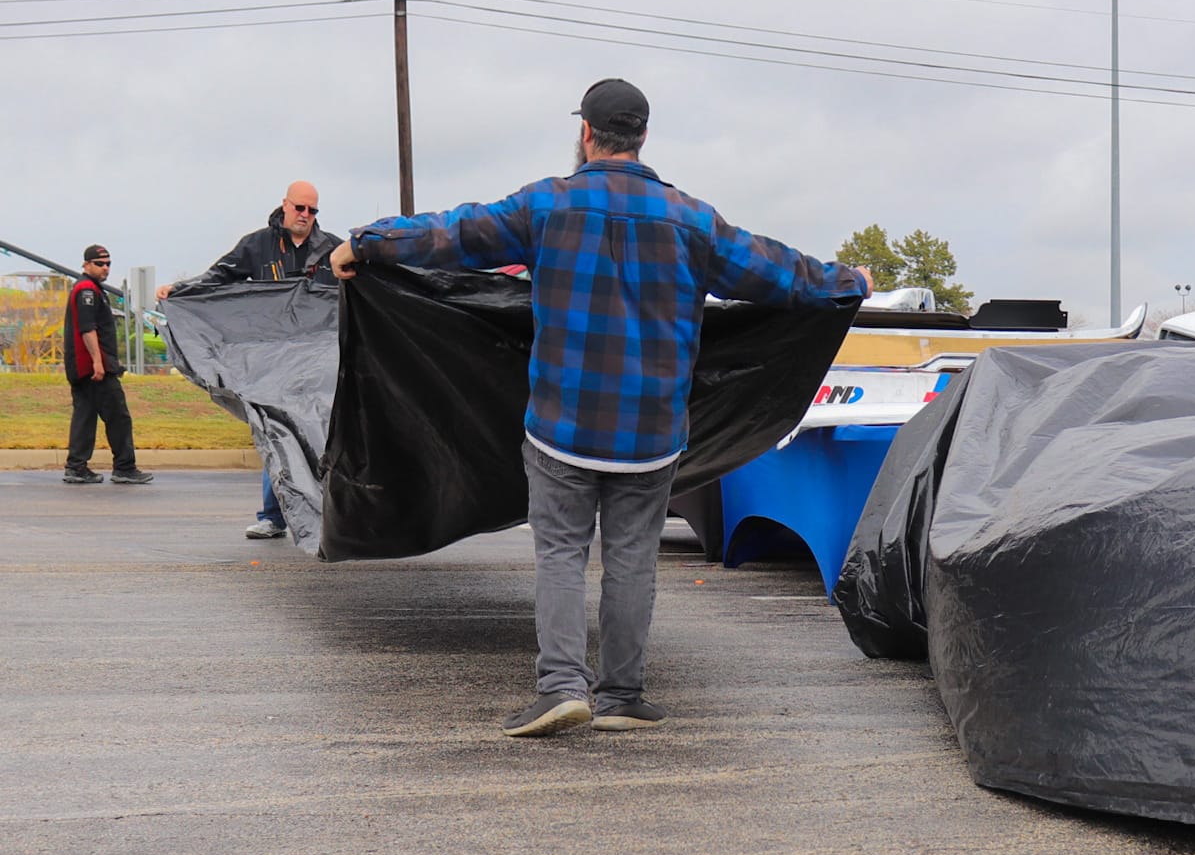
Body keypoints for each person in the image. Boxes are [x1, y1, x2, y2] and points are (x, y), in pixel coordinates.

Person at [331, 78, 873, 738]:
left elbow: (450, 234)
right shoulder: (692, 220)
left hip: (561, 425)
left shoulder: (546, 205)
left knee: (560, 555)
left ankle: (561, 688)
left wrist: (365, 243)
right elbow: (779, 271)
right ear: (642, 136)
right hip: (651, 433)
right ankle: (621, 695)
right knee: (632, 563)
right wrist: (850, 281)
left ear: (585, 133)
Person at [157, 181, 341, 539]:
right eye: (300, 208)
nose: (305, 216)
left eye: (312, 210)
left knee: (324, 435)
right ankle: (274, 515)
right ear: (285, 206)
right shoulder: (258, 245)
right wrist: (180, 291)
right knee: (277, 431)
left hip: (320, 362)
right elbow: (220, 276)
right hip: (271, 363)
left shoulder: (333, 249)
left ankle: (331, 514)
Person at [62, 245, 154, 485]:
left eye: (108, 264)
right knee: (118, 416)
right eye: (100, 264)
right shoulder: (86, 291)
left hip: (82, 367)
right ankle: (124, 467)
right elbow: (87, 328)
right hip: (93, 368)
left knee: (85, 415)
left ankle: (76, 466)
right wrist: (98, 363)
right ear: (86, 265)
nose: (105, 268)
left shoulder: (91, 288)